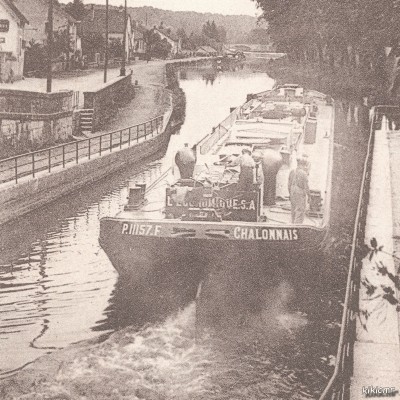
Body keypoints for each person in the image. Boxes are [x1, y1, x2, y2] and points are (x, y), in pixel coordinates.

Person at [288, 158, 310, 223]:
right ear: (303, 165)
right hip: (300, 193)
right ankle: (298, 228)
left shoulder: (292, 172)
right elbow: (306, 186)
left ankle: (292, 227)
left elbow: (289, 185)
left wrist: (290, 194)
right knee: (300, 211)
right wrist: (309, 196)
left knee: (293, 210)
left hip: (292, 192)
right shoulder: (304, 173)